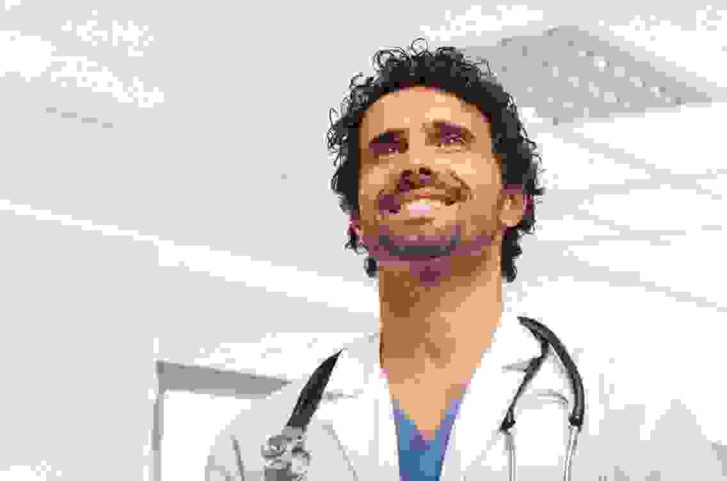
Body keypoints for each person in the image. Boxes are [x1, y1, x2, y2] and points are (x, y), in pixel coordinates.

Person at [205, 41, 725, 480]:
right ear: (357, 222)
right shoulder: (254, 448)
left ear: (513, 203)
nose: (414, 162)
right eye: (386, 148)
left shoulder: (639, 425)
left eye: (450, 140)